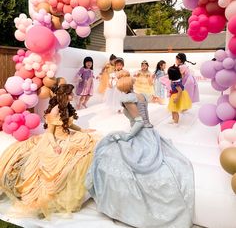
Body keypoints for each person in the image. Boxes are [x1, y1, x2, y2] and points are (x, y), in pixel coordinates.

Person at [86, 71, 194, 228]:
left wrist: (128, 137)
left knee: (111, 152)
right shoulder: (141, 95)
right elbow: (148, 109)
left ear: (122, 88)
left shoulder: (127, 99)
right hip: (150, 132)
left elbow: (138, 122)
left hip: (141, 134)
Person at [0, 84, 98, 217]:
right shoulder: (55, 111)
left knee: (88, 142)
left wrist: (82, 130)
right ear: (64, 95)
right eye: (70, 93)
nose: (73, 95)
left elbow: (68, 124)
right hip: (54, 140)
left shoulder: (66, 107)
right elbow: (50, 133)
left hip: (67, 136)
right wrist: (55, 145)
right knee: (56, 167)